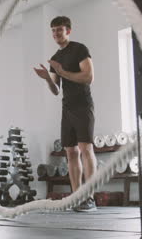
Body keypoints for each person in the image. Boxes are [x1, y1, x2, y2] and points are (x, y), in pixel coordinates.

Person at [34, 16, 97, 211]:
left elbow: (88, 77)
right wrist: (47, 78)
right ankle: (77, 197)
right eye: (53, 30)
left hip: (83, 104)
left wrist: (61, 72)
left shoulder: (80, 49)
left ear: (68, 30)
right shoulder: (56, 58)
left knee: (86, 149)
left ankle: (90, 197)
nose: (56, 34)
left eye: (59, 30)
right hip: (67, 107)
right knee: (70, 152)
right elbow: (56, 90)